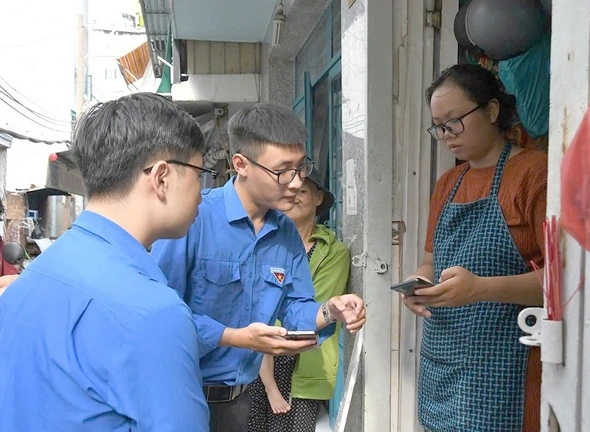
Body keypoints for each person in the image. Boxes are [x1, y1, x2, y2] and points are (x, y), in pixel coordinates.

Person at [0, 93, 212, 432]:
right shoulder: (155, 314)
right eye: (199, 174)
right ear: (161, 178)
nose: (201, 192)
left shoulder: (27, 283)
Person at [151, 103, 366, 432]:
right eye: (283, 171)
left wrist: (329, 311)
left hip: (241, 401)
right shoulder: (195, 218)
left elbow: (295, 308)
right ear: (241, 165)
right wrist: (237, 338)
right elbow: (159, 313)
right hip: (181, 396)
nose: (296, 182)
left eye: (301, 167)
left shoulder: (286, 233)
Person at [402, 64, 546, 431]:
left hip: (505, 368)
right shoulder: (448, 183)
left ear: (492, 110)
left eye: (454, 122)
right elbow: (431, 261)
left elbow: (563, 282)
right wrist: (419, 284)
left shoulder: (534, 173)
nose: (446, 136)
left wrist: (481, 289)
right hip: (443, 361)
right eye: (439, 126)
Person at [247, 169, 350, 432]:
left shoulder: (333, 252)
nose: (294, 197)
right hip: (260, 359)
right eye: (288, 191)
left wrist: (270, 315)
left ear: (318, 198)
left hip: (303, 359)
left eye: (302, 190)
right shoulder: (267, 242)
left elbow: (316, 306)